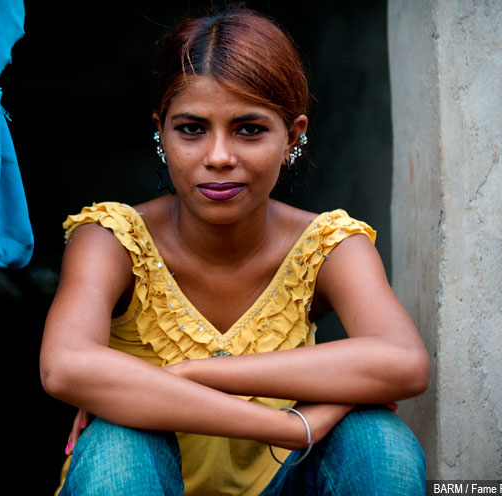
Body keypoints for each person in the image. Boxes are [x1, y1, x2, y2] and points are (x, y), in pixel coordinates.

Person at [40, 8, 430, 495]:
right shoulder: (114, 238)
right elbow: (65, 366)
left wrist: (192, 374)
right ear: (161, 132)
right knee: (119, 442)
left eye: (249, 129)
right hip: (150, 481)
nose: (219, 156)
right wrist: (291, 426)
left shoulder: (326, 245)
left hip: (286, 482)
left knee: (378, 440)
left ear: (293, 135)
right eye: (191, 129)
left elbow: (403, 362)